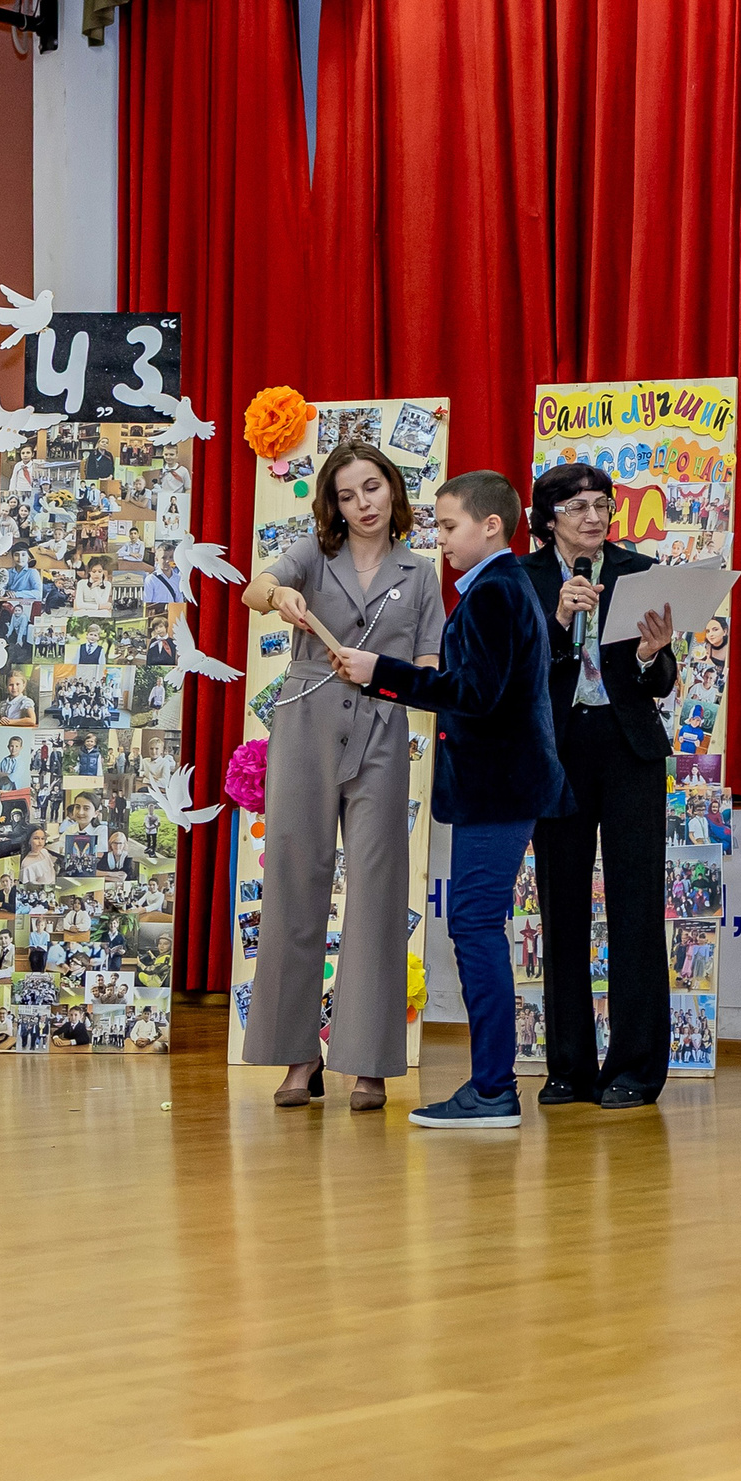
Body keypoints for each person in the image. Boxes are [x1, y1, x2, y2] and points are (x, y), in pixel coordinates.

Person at [335, 469, 572, 1131]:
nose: (438, 539)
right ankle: (491, 1085)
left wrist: (381, 673)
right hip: (502, 786)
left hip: (498, 788)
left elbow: (474, 695)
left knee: (473, 927)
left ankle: (493, 1089)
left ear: (491, 526)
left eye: (447, 526)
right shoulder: (501, 587)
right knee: (475, 926)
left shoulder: (495, 592)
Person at [237, 445, 443, 1111]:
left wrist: (384, 672)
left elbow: (430, 668)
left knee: (378, 891)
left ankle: (367, 1059)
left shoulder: (420, 572)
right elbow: (254, 590)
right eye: (348, 494)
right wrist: (281, 595)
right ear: (333, 504)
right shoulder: (312, 555)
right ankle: (299, 1054)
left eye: (373, 487)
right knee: (295, 878)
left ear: (393, 489)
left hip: (382, 729)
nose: (363, 504)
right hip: (305, 721)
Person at [521, 463, 680, 1111]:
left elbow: (661, 680)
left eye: (602, 505)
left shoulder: (640, 571)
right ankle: (569, 1067)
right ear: (548, 518)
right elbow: (516, 673)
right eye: (577, 506)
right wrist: (559, 619)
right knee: (560, 906)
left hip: (627, 749)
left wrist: (650, 653)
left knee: (636, 905)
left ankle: (635, 1068)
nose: (593, 517)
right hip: (557, 752)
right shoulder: (524, 578)